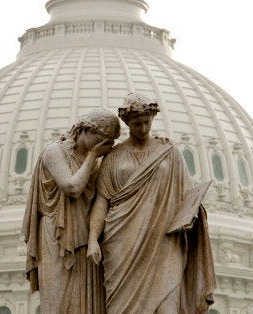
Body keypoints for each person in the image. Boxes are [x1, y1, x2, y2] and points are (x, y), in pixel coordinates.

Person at [87, 93, 216, 313]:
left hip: (164, 241)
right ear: (127, 123)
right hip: (122, 243)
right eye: (137, 123)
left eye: (147, 122)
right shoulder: (114, 157)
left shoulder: (169, 153)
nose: (143, 128)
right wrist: (92, 239)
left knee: (167, 307)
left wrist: (191, 215)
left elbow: (187, 197)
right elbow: (102, 201)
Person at [22, 108, 121, 313]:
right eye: (103, 139)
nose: (107, 146)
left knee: (87, 305)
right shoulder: (55, 152)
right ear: (85, 130)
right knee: (59, 302)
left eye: (111, 141)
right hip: (57, 235)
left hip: (86, 238)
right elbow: (72, 188)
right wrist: (93, 156)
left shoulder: (100, 160)